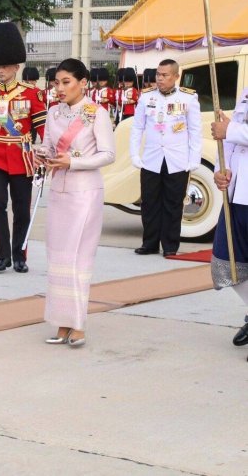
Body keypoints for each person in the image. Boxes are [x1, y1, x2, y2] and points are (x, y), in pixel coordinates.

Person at [38, 58, 115, 348]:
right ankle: (62, 322)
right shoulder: (53, 113)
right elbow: (48, 144)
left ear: (83, 83)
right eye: (57, 82)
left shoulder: (98, 114)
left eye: (66, 82)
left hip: (85, 194)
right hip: (59, 190)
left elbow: (108, 154)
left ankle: (78, 324)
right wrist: (41, 154)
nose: (59, 88)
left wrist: (74, 161)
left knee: (78, 259)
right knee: (58, 257)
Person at [0, 23, 46, 273]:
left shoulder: (32, 94)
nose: (0, 71)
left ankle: (20, 254)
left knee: (21, 209)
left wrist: (45, 155)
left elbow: (43, 129)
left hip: (21, 156)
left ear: (16, 67)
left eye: (5, 66)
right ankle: (2, 254)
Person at [129, 59, 201, 256]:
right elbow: (137, 128)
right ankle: (150, 243)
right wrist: (134, 154)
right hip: (151, 158)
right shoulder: (146, 97)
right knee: (150, 202)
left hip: (177, 160)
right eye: (158, 75)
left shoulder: (188, 99)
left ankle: (170, 246)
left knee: (173, 203)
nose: (159, 79)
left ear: (176, 77)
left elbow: (195, 131)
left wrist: (194, 158)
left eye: (164, 75)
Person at [210, 87, 248, 360]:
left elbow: (232, 131)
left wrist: (231, 129)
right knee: (228, 263)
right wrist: (221, 171)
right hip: (237, 193)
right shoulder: (246, 91)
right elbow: (231, 142)